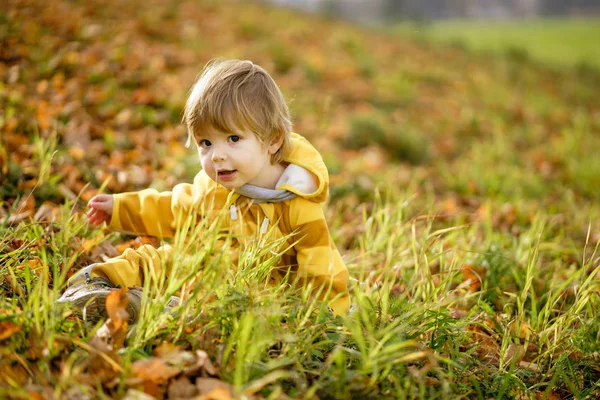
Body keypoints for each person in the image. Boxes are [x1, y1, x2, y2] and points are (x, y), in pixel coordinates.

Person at [57, 59, 350, 323]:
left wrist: (322, 319)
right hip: (202, 269)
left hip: (256, 293)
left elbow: (322, 267)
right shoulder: (213, 185)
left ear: (272, 141)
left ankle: (166, 310)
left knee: (248, 309)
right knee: (157, 259)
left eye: (233, 138)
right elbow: (172, 208)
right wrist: (120, 208)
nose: (216, 156)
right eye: (205, 143)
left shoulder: (297, 203)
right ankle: (95, 284)